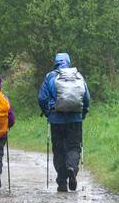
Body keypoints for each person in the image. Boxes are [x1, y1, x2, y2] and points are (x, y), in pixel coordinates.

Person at [37, 52, 90, 193]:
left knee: (59, 149)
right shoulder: (78, 76)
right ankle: (72, 168)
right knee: (73, 147)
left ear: (55, 63)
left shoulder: (50, 76)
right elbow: (86, 98)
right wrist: (83, 113)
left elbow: (42, 98)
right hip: (75, 119)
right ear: (68, 62)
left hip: (56, 120)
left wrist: (48, 112)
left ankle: (61, 182)